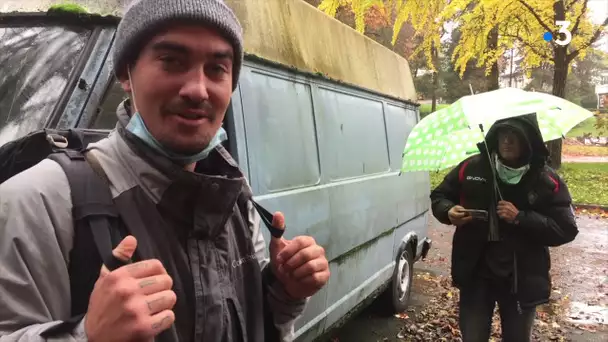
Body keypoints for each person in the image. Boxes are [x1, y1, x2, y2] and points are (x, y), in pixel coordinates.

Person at [0, 0, 330, 341]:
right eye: (172, 62)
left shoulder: (235, 197)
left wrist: (284, 292)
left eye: (216, 68)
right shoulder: (40, 200)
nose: (197, 90)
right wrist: (87, 335)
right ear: (125, 74)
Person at [430, 114, 578, 342]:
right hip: (476, 275)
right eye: (503, 134)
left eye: (514, 135)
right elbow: (440, 196)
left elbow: (566, 228)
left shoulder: (545, 179)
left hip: (521, 280)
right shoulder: (472, 167)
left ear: (528, 139)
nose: (507, 141)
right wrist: (448, 211)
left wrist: (521, 217)